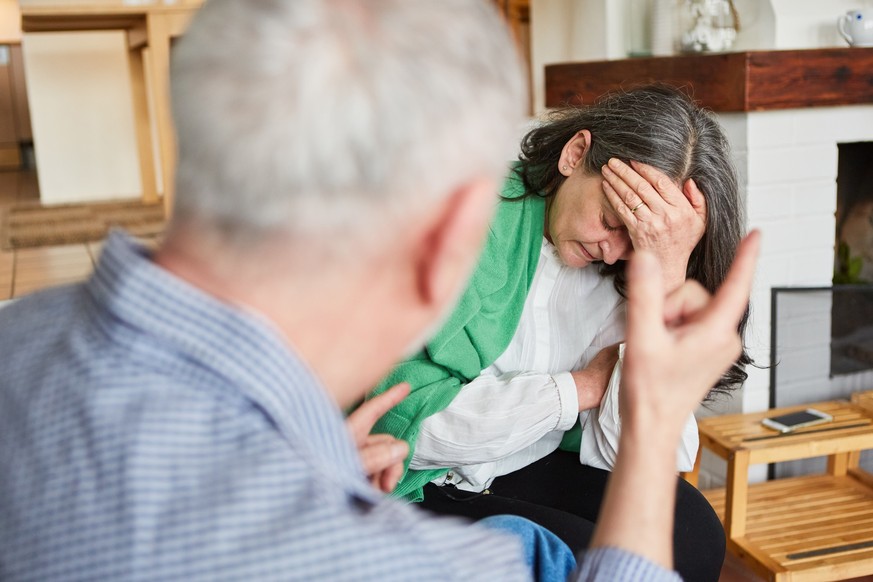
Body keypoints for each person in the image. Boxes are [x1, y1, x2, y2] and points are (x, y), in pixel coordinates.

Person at [0, 0, 759, 580]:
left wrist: (318, 456)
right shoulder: (378, 556)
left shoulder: (15, 337)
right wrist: (650, 410)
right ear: (448, 242)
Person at [370, 85, 749, 582]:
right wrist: (582, 388)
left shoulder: (623, 272)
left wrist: (666, 275)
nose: (613, 252)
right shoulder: (465, 225)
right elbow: (411, 428)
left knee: (694, 534)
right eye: (612, 221)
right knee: (586, 556)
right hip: (432, 478)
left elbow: (637, 454)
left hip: (528, 460)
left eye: (637, 242)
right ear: (575, 155)